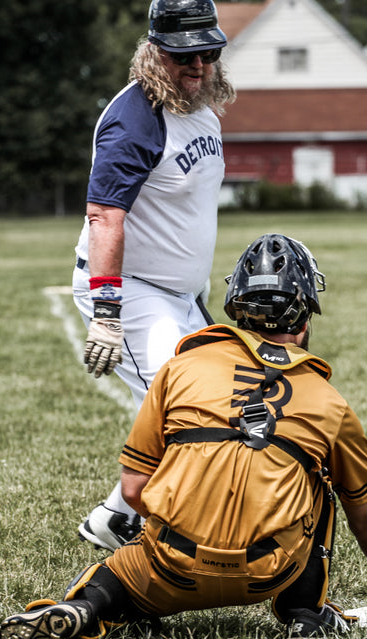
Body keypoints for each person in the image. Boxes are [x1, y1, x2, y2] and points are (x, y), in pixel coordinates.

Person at [0, 234, 367, 639]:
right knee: (321, 478)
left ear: (235, 308)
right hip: (267, 573)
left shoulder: (178, 369)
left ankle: (88, 608)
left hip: (172, 567)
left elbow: (133, 488)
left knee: (123, 573)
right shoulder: (329, 401)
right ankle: (305, 615)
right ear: (305, 319)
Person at [73, 0, 237, 551]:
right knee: (191, 411)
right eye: (184, 54)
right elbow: (105, 216)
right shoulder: (134, 117)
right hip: (135, 289)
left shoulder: (203, 110)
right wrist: (106, 312)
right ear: (153, 51)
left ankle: (116, 518)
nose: (198, 65)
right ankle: (145, 523)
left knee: (222, 399)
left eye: (208, 52)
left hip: (179, 294)